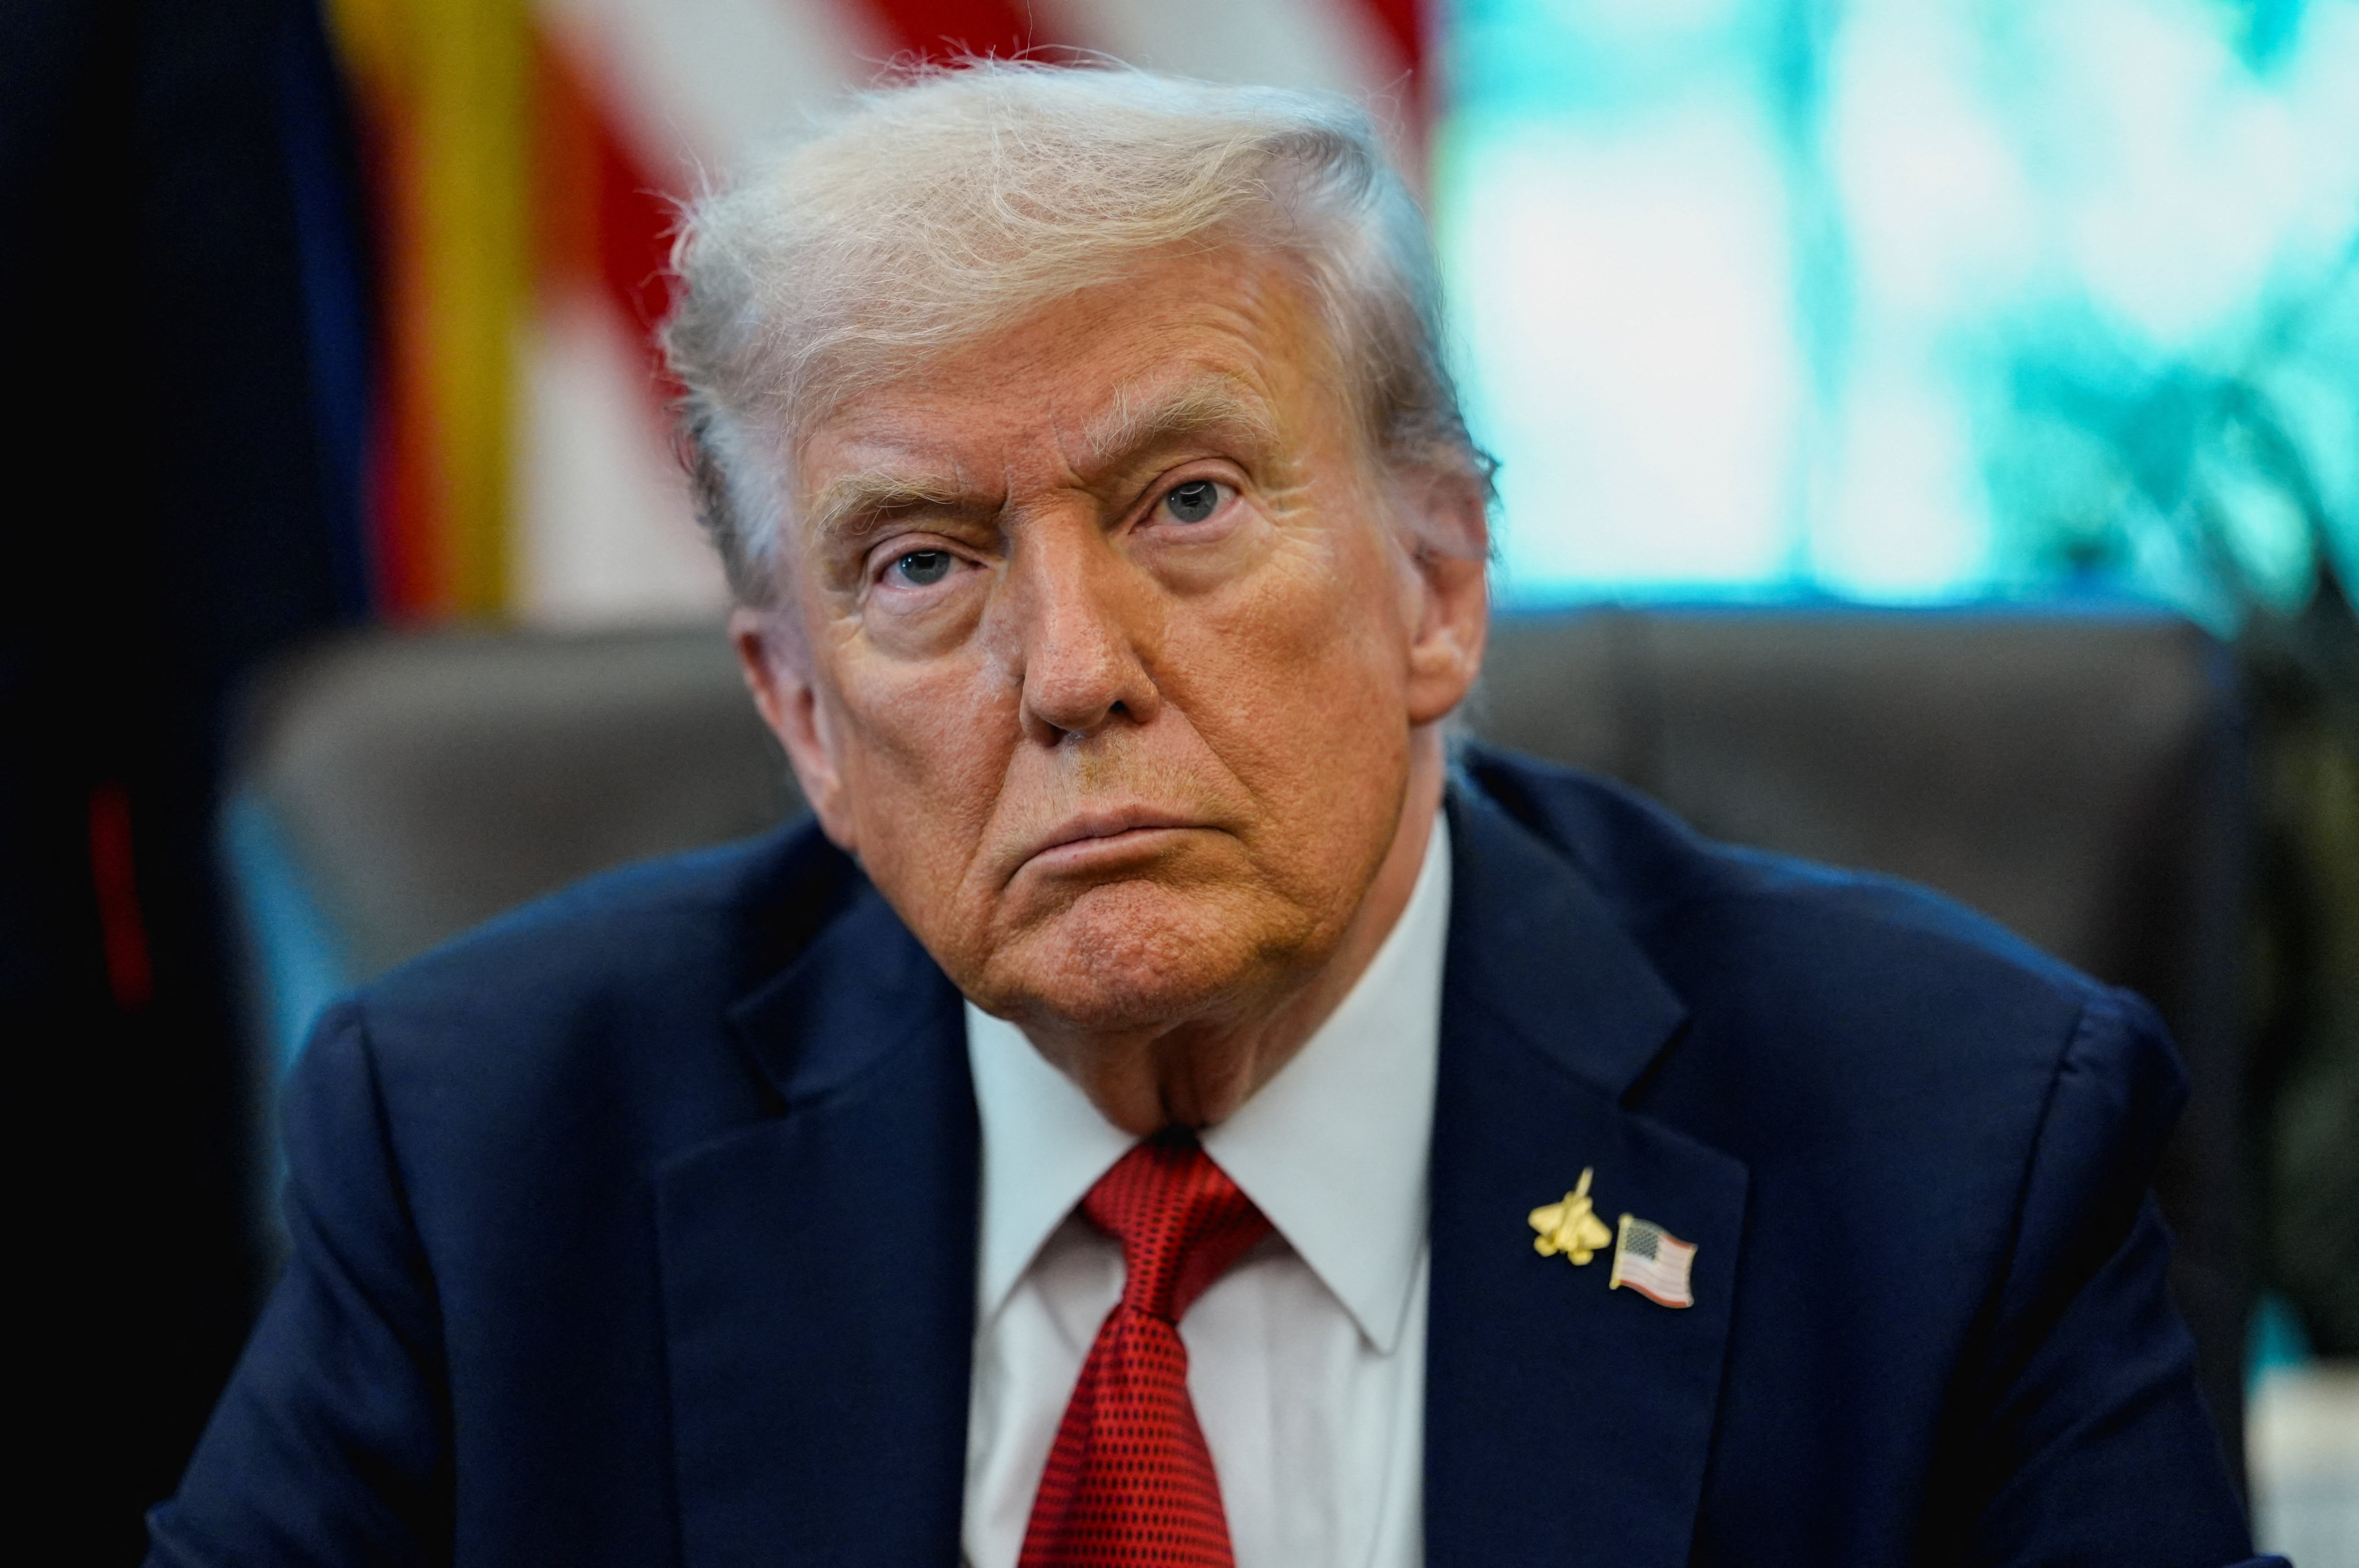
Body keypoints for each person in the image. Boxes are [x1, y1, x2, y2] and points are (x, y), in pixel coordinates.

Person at [148, 63, 2276, 1568]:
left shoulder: (1950, 1144)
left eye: (1184, 503)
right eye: (918, 562)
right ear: (796, 709)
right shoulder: (483, 1150)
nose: (1071, 667)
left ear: (1439, 583)